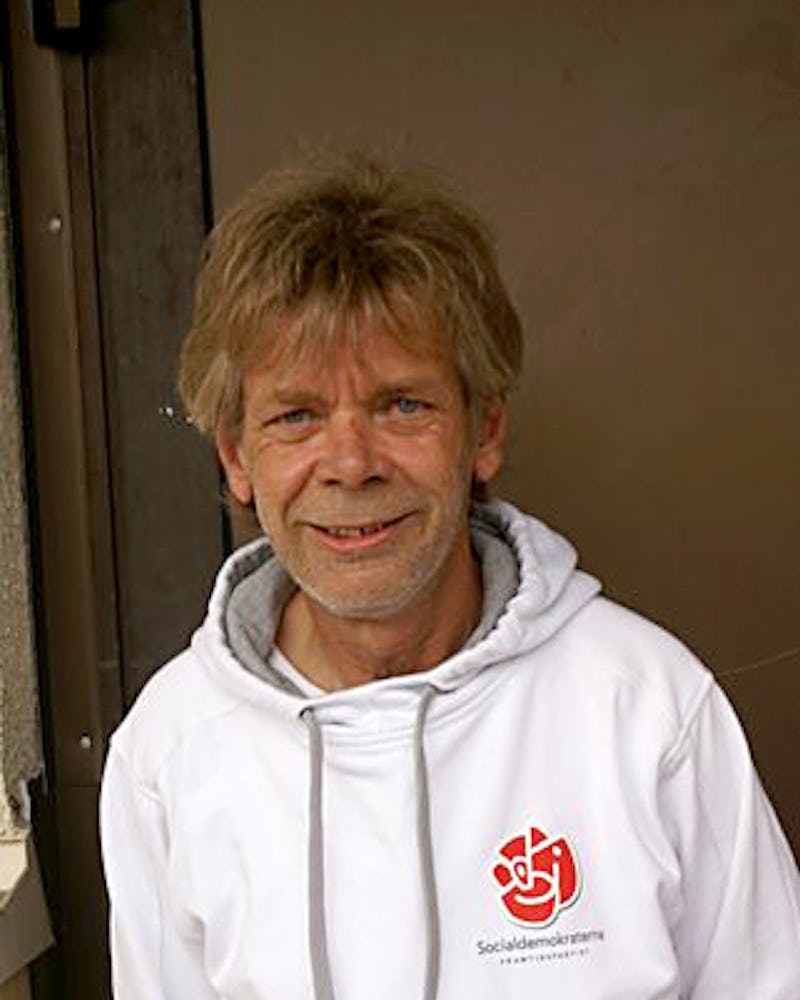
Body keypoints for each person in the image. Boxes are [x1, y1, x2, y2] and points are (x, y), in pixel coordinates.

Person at [100, 155, 800, 1000]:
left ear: (485, 430)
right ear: (237, 457)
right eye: (297, 415)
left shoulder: (648, 708)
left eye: (403, 405)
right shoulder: (169, 751)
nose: (351, 463)